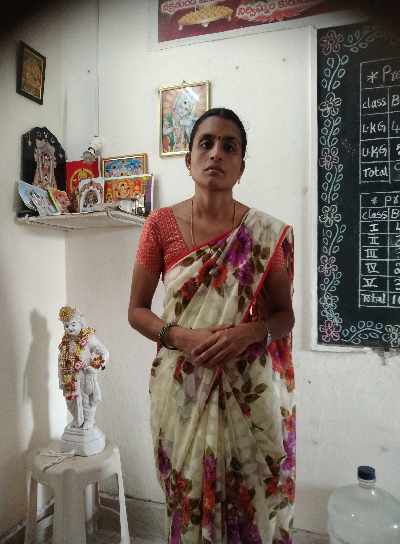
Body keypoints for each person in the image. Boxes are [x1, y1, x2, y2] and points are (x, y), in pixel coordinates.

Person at [128, 108, 295, 544]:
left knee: (251, 507)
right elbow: (137, 310)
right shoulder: (160, 226)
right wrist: (181, 336)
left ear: (241, 166)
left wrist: (251, 332)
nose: (216, 153)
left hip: (248, 390)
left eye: (229, 146)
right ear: (188, 161)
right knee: (187, 507)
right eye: (206, 143)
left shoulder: (264, 234)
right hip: (181, 390)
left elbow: (284, 316)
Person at [58, 306, 109, 430]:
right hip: (69, 376)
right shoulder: (65, 342)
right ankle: (77, 419)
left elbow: (104, 352)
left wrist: (95, 365)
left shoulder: (88, 338)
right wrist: (60, 377)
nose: (69, 328)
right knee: (70, 400)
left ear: (80, 323)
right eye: (66, 326)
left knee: (86, 399)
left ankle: (89, 420)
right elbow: (60, 360)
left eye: (73, 324)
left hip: (85, 374)